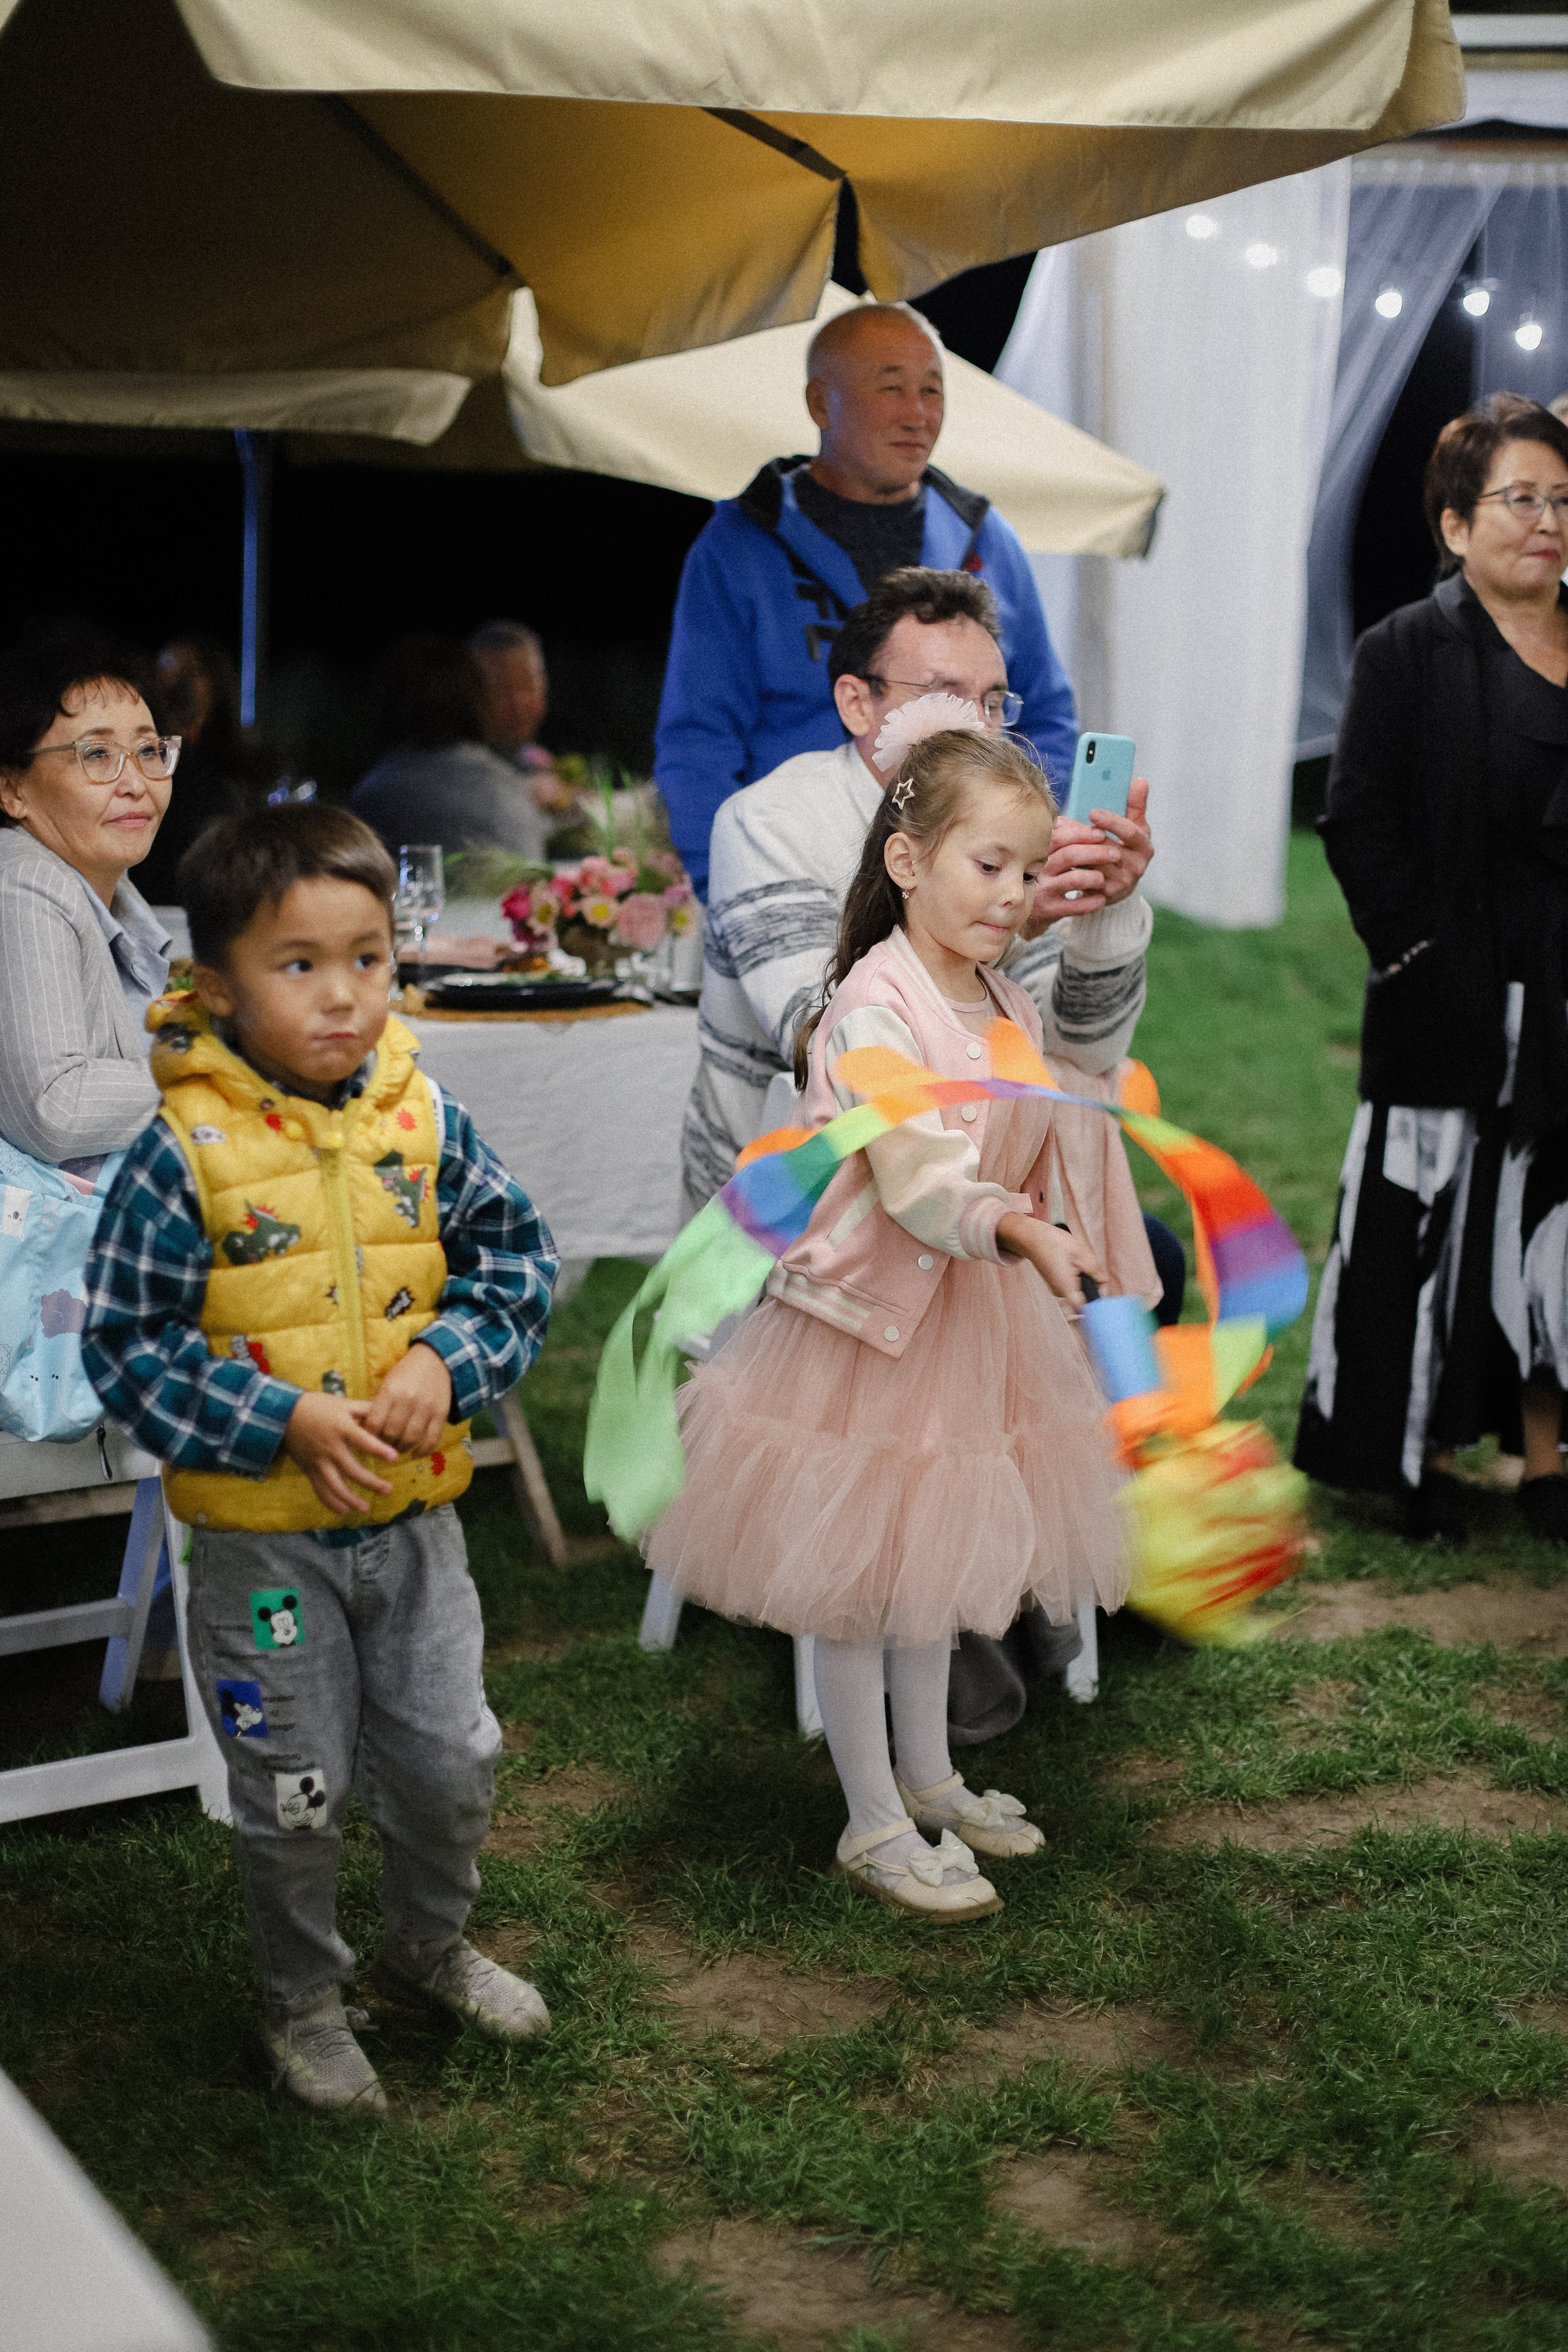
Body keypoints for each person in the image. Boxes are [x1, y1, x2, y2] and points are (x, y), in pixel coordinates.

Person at [81, 804, 559, 2113]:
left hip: (415, 1534)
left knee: (451, 1755)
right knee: (292, 1787)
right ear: (222, 987)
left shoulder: (428, 1122)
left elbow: (519, 1266)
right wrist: (285, 1422)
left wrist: (440, 1366)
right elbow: (126, 1350)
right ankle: (302, 2003)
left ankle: (427, 1949)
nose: (345, 997)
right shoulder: (181, 1157)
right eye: (301, 966)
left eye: (368, 960)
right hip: (262, 1550)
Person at [647, 707, 1125, 1919]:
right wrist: (1014, 1228)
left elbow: (1039, 1119)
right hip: (865, 1331)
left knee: (928, 1571)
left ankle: (930, 1777)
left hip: (966, 1327)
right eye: (988, 865)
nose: (1013, 895)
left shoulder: (996, 1001)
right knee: (861, 1590)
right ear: (906, 862)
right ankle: (868, 1818)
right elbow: (916, 1178)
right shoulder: (871, 1008)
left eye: (1027, 871)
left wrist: (1055, 1216)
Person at [684, 570, 1162, 1287]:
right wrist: (1014, 919)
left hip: (981, 1206)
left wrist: (1104, 913)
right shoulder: (767, 822)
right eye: (944, 695)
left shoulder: (1001, 840)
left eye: (994, 700)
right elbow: (819, 1036)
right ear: (855, 701)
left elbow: (1079, 1053)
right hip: (800, 1229)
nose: (977, 723)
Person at [1297, 392, 1568, 1544]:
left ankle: (1548, 1457)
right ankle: (1408, 1450)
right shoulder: (1405, 649)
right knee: (1427, 1223)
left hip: (1564, 994)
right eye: (1520, 498)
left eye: (1565, 500)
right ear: (1456, 525)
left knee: (1555, 1216)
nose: (1548, 521)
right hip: (1444, 991)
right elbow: (1355, 822)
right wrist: (1416, 954)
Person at [655, 301, 1077, 897]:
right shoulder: (741, 544)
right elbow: (697, 739)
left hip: (961, 886)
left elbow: (1047, 716)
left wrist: (1026, 853)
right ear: (820, 404)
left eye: (932, 391)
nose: (918, 414)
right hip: (795, 872)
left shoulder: (987, 539)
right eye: (892, 388)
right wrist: (722, 884)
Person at [0, 632, 179, 1166]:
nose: (135, 783)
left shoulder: (101, 878)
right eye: (97, 754)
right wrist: (217, 1071)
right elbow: (56, 1105)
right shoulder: (24, 883)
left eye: (148, 751)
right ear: (12, 789)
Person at [352, 635, 551, 864]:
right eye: (501, 688)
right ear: (477, 697)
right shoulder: (503, 790)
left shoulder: (368, 797)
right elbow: (530, 885)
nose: (517, 702)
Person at [133, 637, 257, 907]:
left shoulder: (246, 763)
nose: (178, 683)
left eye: (191, 672)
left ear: (215, 680)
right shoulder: (151, 762)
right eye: (166, 671)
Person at [467, 619, 573, 815]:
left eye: (528, 685)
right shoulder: (462, 770)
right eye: (501, 690)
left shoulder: (542, 753)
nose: (518, 703)